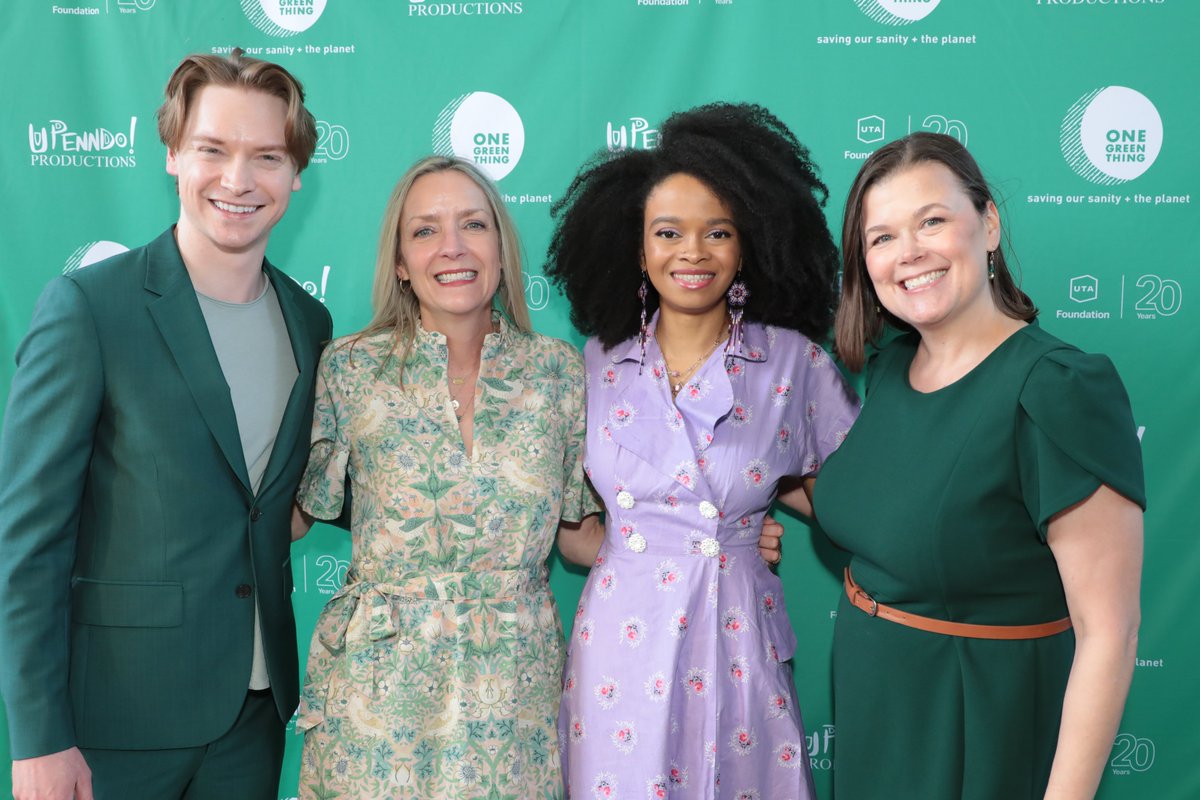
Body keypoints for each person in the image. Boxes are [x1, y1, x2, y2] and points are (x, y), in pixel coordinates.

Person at [0, 50, 329, 799]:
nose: (238, 180)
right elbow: (28, 539)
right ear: (174, 154)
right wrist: (39, 739)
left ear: (296, 174)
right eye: (213, 149)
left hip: (255, 717)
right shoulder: (90, 309)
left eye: (267, 157)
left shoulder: (311, 324)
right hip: (113, 724)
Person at [815, 132, 1145, 799]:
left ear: (988, 224)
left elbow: (1109, 633)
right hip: (876, 712)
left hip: (977, 722)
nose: (908, 253)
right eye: (881, 238)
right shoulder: (890, 369)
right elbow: (906, 508)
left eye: (931, 221)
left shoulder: (1055, 387)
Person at [545, 102, 859, 799]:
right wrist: (667, 541)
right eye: (668, 233)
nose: (693, 252)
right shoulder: (590, 366)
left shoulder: (792, 364)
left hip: (739, 639)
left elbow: (855, 501)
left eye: (717, 232)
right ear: (637, 247)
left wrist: (741, 528)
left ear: (748, 244)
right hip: (621, 648)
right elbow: (573, 537)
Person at [290, 155, 606, 799]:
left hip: (513, 694)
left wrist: (716, 536)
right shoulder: (350, 369)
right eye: (426, 230)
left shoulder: (559, 372)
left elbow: (580, 537)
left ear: (501, 247)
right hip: (380, 694)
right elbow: (297, 512)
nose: (453, 247)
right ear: (401, 262)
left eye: (473, 225)